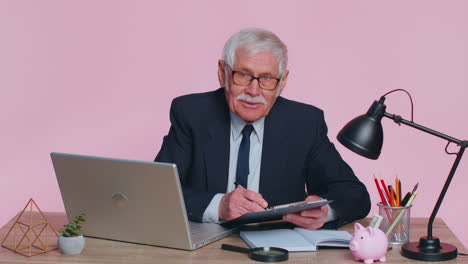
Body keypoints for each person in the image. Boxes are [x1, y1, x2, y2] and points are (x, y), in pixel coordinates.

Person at [155, 27, 370, 230]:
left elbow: (353, 194)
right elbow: (158, 190)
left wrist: (325, 212)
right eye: (243, 75)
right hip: (205, 247)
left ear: (282, 81)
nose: (253, 90)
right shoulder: (191, 114)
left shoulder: (304, 123)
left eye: (266, 78)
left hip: (275, 249)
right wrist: (218, 206)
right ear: (222, 73)